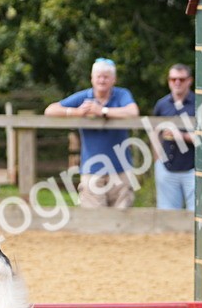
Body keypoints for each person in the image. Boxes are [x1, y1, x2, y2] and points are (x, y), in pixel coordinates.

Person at [44, 58, 140, 208]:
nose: (102, 80)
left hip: (121, 168)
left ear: (113, 80)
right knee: (93, 217)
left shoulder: (122, 95)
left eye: (106, 77)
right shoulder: (84, 97)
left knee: (122, 216)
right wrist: (76, 112)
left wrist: (102, 111)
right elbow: (50, 110)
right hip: (91, 169)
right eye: (98, 76)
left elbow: (133, 112)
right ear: (92, 78)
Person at [152, 64, 196, 210]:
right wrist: (157, 161)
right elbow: (155, 133)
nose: (177, 82)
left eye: (181, 79)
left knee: (196, 214)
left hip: (193, 169)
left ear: (189, 81)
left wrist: (181, 136)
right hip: (167, 169)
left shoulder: (199, 103)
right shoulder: (162, 104)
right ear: (169, 81)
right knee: (167, 215)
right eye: (173, 79)